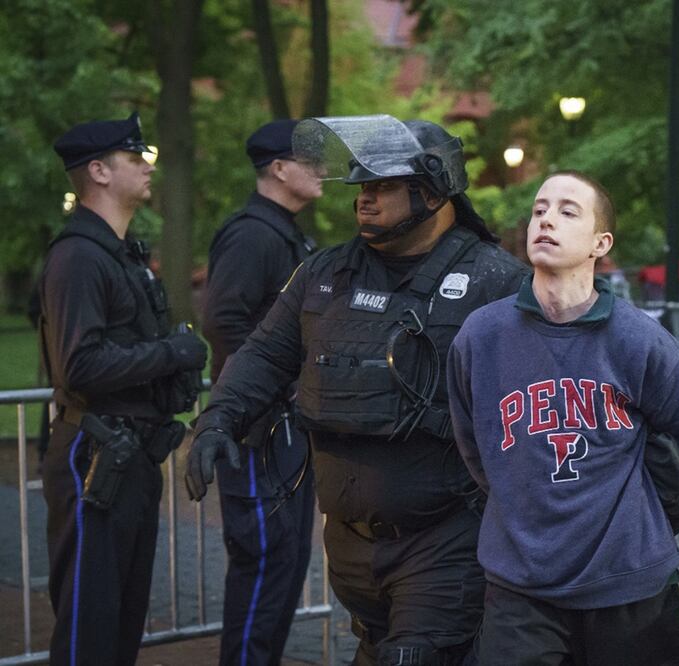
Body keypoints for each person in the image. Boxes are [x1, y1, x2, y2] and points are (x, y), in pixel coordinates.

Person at [183, 115, 529, 665]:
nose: (364, 198)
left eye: (383, 185)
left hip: (443, 544)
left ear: (433, 191)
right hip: (349, 548)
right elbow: (266, 353)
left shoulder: (497, 283)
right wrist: (219, 419)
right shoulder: (325, 273)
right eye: (362, 184)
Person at [446, 171, 679, 665]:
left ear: (601, 243)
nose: (546, 219)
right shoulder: (481, 337)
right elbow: (476, 449)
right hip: (520, 587)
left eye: (567, 211)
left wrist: (633, 525)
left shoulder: (641, 343)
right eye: (539, 210)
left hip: (631, 588)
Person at [40, 112, 208, 665]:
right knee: (89, 628)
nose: (147, 166)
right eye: (135, 157)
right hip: (96, 459)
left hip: (127, 455)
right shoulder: (79, 256)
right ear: (99, 171)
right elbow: (80, 367)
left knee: (121, 625)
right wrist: (173, 353)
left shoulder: (120, 253)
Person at [201, 119, 321, 666]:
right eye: (309, 160)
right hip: (258, 429)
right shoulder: (252, 235)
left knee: (284, 567)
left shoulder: (284, 233)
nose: (321, 170)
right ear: (278, 168)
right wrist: (277, 385)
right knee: (265, 562)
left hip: (285, 428)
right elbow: (224, 322)